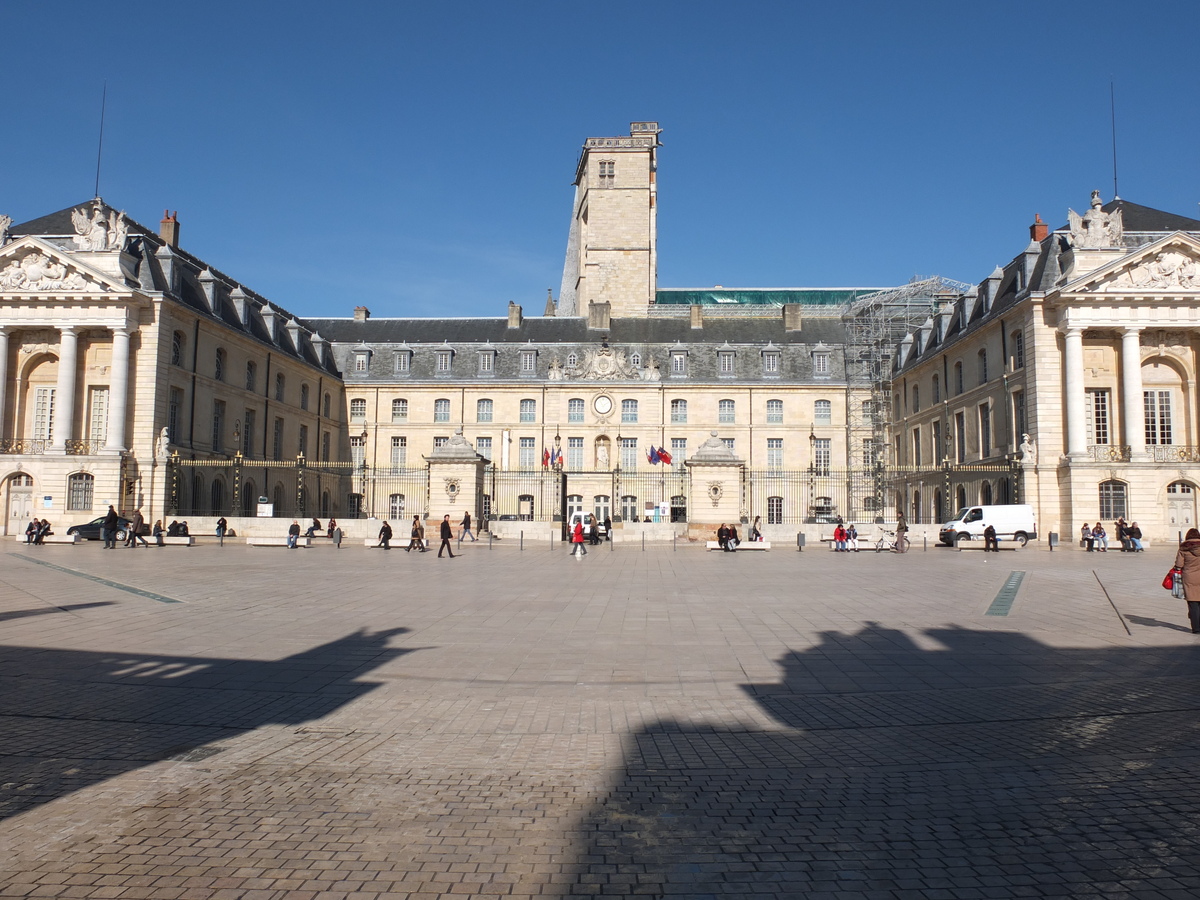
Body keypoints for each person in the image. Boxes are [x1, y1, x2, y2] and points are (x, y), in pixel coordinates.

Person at [1174, 528, 1200, 633]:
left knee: (1193, 603)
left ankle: (1196, 628)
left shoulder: (1183, 548)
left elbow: (1179, 564)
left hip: (1189, 577)